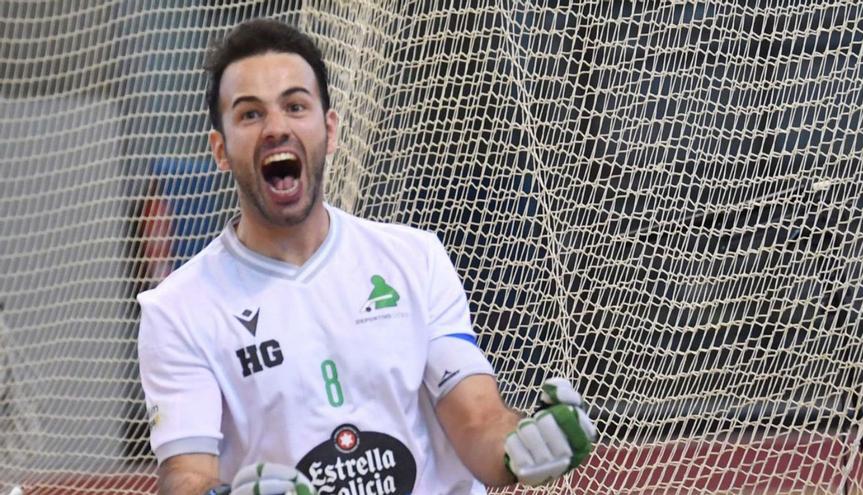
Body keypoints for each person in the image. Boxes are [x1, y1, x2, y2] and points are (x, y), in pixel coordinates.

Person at [137, 18, 597, 495]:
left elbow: (479, 422)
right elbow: (186, 475)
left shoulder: (414, 258)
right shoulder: (177, 309)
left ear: (330, 129)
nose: (276, 128)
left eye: (295, 106)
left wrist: (525, 447)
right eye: (250, 115)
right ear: (221, 150)